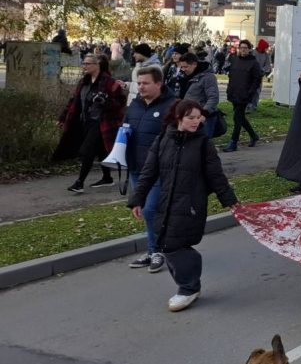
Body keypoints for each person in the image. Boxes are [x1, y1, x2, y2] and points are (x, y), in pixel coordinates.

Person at [128, 99, 238, 312]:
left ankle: (188, 288)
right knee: (166, 243)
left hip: (191, 204)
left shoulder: (203, 144)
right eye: (191, 118)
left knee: (173, 245)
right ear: (179, 118)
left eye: (198, 118)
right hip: (167, 201)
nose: (196, 122)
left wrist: (230, 201)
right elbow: (149, 172)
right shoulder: (163, 140)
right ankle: (188, 283)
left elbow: (216, 176)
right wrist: (137, 199)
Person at [124, 65, 176, 273]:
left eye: (146, 83)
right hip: (136, 168)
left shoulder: (172, 106)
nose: (141, 87)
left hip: (158, 170)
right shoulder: (134, 105)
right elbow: (125, 127)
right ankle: (153, 250)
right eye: (139, 83)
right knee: (144, 211)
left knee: (150, 209)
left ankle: (159, 251)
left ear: (158, 84)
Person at [57, 54, 127, 193]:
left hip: (102, 122)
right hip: (86, 121)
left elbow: (120, 103)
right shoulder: (84, 82)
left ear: (97, 65)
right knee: (101, 151)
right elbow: (74, 101)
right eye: (84, 63)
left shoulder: (110, 83)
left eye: (88, 63)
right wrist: (63, 117)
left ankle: (79, 183)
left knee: (87, 151)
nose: (85, 66)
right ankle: (107, 178)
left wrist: (105, 102)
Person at [223, 39, 263, 152]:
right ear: (238, 49)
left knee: (237, 118)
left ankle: (233, 142)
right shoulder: (235, 60)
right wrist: (229, 90)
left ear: (249, 49)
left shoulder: (253, 63)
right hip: (234, 93)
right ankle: (254, 136)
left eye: (245, 48)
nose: (243, 50)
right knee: (240, 117)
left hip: (244, 95)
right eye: (241, 48)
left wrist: (250, 93)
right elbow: (231, 76)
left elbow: (257, 80)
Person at [177, 52, 220, 138]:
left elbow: (213, 97)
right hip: (189, 115)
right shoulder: (186, 76)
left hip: (204, 118)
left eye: (186, 67)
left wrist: (204, 114)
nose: (183, 69)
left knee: (202, 145)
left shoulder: (208, 77)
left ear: (194, 64)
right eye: (182, 67)